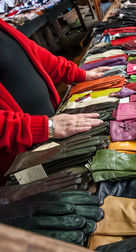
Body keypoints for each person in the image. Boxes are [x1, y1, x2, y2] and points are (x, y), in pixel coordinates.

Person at [0, 18, 110, 181]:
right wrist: (44, 127)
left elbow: (32, 54)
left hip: (52, 126)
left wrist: (79, 74)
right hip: (18, 159)